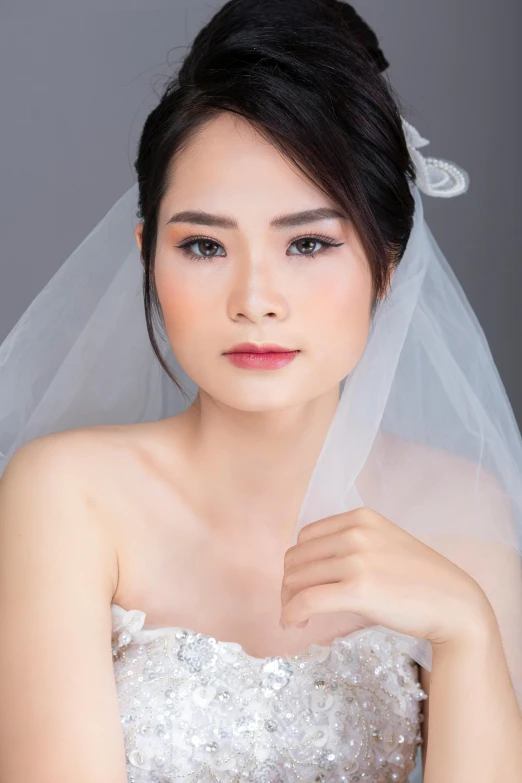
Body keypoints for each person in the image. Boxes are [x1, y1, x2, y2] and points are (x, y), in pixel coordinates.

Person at [0, 1, 521, 781]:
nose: (255, 299)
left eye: (308, 242)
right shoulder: (69, 494)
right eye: (204, 245)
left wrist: (470, 630)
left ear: (386, 262)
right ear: (148, 257)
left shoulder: (462, 507)